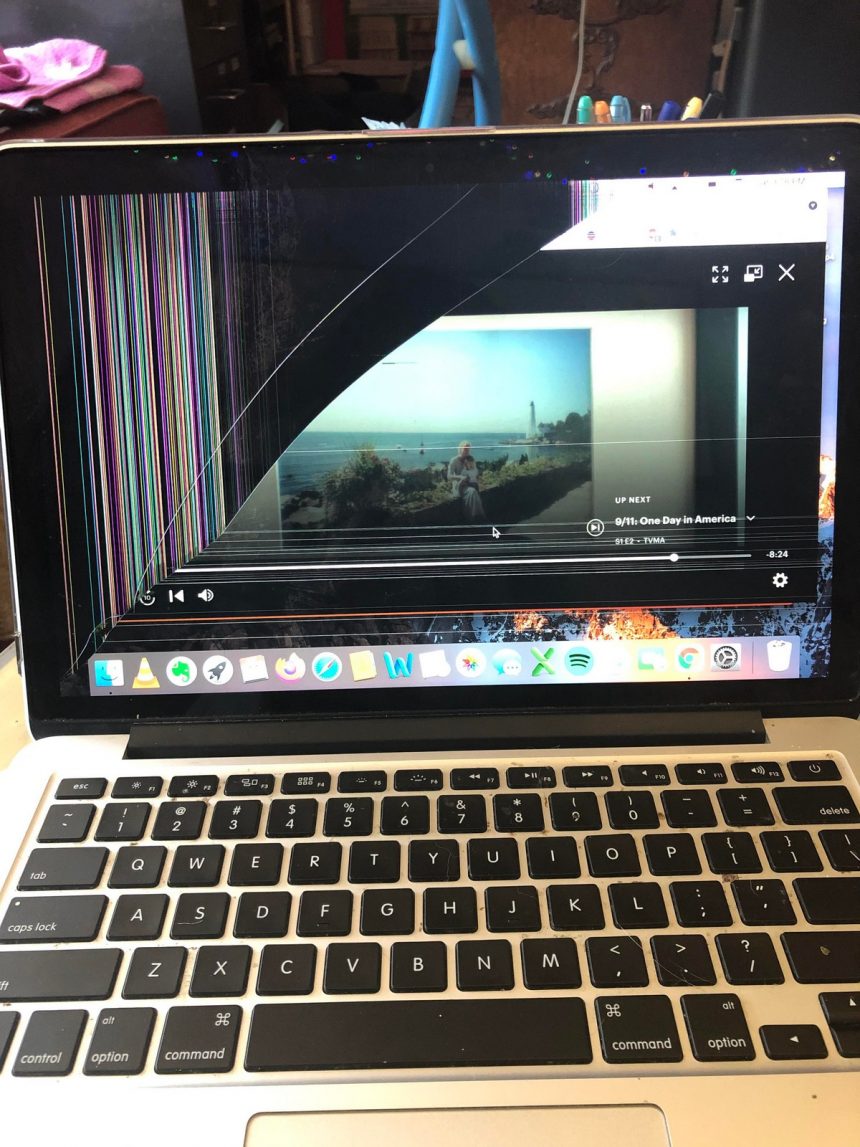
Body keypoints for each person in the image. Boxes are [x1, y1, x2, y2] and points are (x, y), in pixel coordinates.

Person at [448, 440, 485, 521]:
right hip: (459, 486)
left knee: (474, 490)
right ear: (460, 449)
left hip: (470, 483)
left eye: (468, 449)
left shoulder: (470, 458)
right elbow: (449, 476)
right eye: (465, 449)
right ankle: (473, 516)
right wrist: (461, 477)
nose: (467, 451)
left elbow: (475, 471)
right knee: (472, 492)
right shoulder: (454, 460)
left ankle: (477, 516)